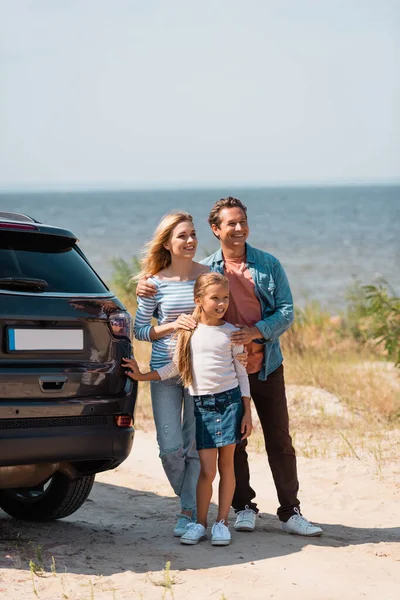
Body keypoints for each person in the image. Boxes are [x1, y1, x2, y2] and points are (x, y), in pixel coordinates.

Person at [137, 197, 323, 537]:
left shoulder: (268, 265)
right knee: (232, 443)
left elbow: (286, 311)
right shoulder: (209, 271)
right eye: (231, 223)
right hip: (222, 373)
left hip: (266, 364)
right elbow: (183, 299)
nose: (239, 228)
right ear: (216, 229)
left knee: (280, 440)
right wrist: (146, 285)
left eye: (242, 221)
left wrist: (256, 332)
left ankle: (290, 511)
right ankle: (243, 507)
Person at [124, 272, 252, 546]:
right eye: (215, 298)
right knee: (207, 470)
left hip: (229, 403)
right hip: (203, 405)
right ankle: (200, 523)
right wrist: (143, 375)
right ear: (199, 300)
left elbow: (242, 375)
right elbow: (174, 368)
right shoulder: (187, 333)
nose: (221, 304)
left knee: (227, 466)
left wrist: (247, 413)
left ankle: (221, 523)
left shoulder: (232, 333)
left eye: (225, 298)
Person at [123, 212, 207, 537]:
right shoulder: (153, 284)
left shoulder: (207, 275)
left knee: (193, 446)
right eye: (182, 236)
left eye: (193, 234)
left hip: (199, 371)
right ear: (168, 243)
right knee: (170, 448)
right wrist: (174, 325)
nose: (190, 241)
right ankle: (192, 498)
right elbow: (140, 330)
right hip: (163, 372)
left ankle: (188, 512)